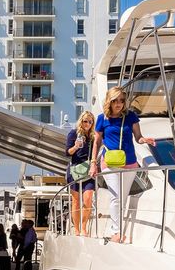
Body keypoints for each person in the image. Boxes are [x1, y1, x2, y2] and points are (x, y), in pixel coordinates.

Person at [90, 86, 154, 243]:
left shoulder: (131, 116)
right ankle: (117, 233)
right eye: (115, 101)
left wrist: (144, 140)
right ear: (109, 102)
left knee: (122, 198)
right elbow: (97, 142)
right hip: (109, 163)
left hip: (130, 162)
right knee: (116, 197)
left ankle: (119, 231)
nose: (119, 104)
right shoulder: (102, 119)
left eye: (121, 101)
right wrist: (93, 163)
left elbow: (138, 136)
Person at [65, 111, 97, 236]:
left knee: (88, 198)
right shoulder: (74, 133)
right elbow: (68, 153)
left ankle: (84, 227)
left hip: (89, 169)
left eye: (90, 121)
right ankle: (76, 229)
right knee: (76, 201)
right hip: (75, 170)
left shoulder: (94, 136)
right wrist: (76, 146)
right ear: (81, 121)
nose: (88, 124)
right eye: (85, 121)